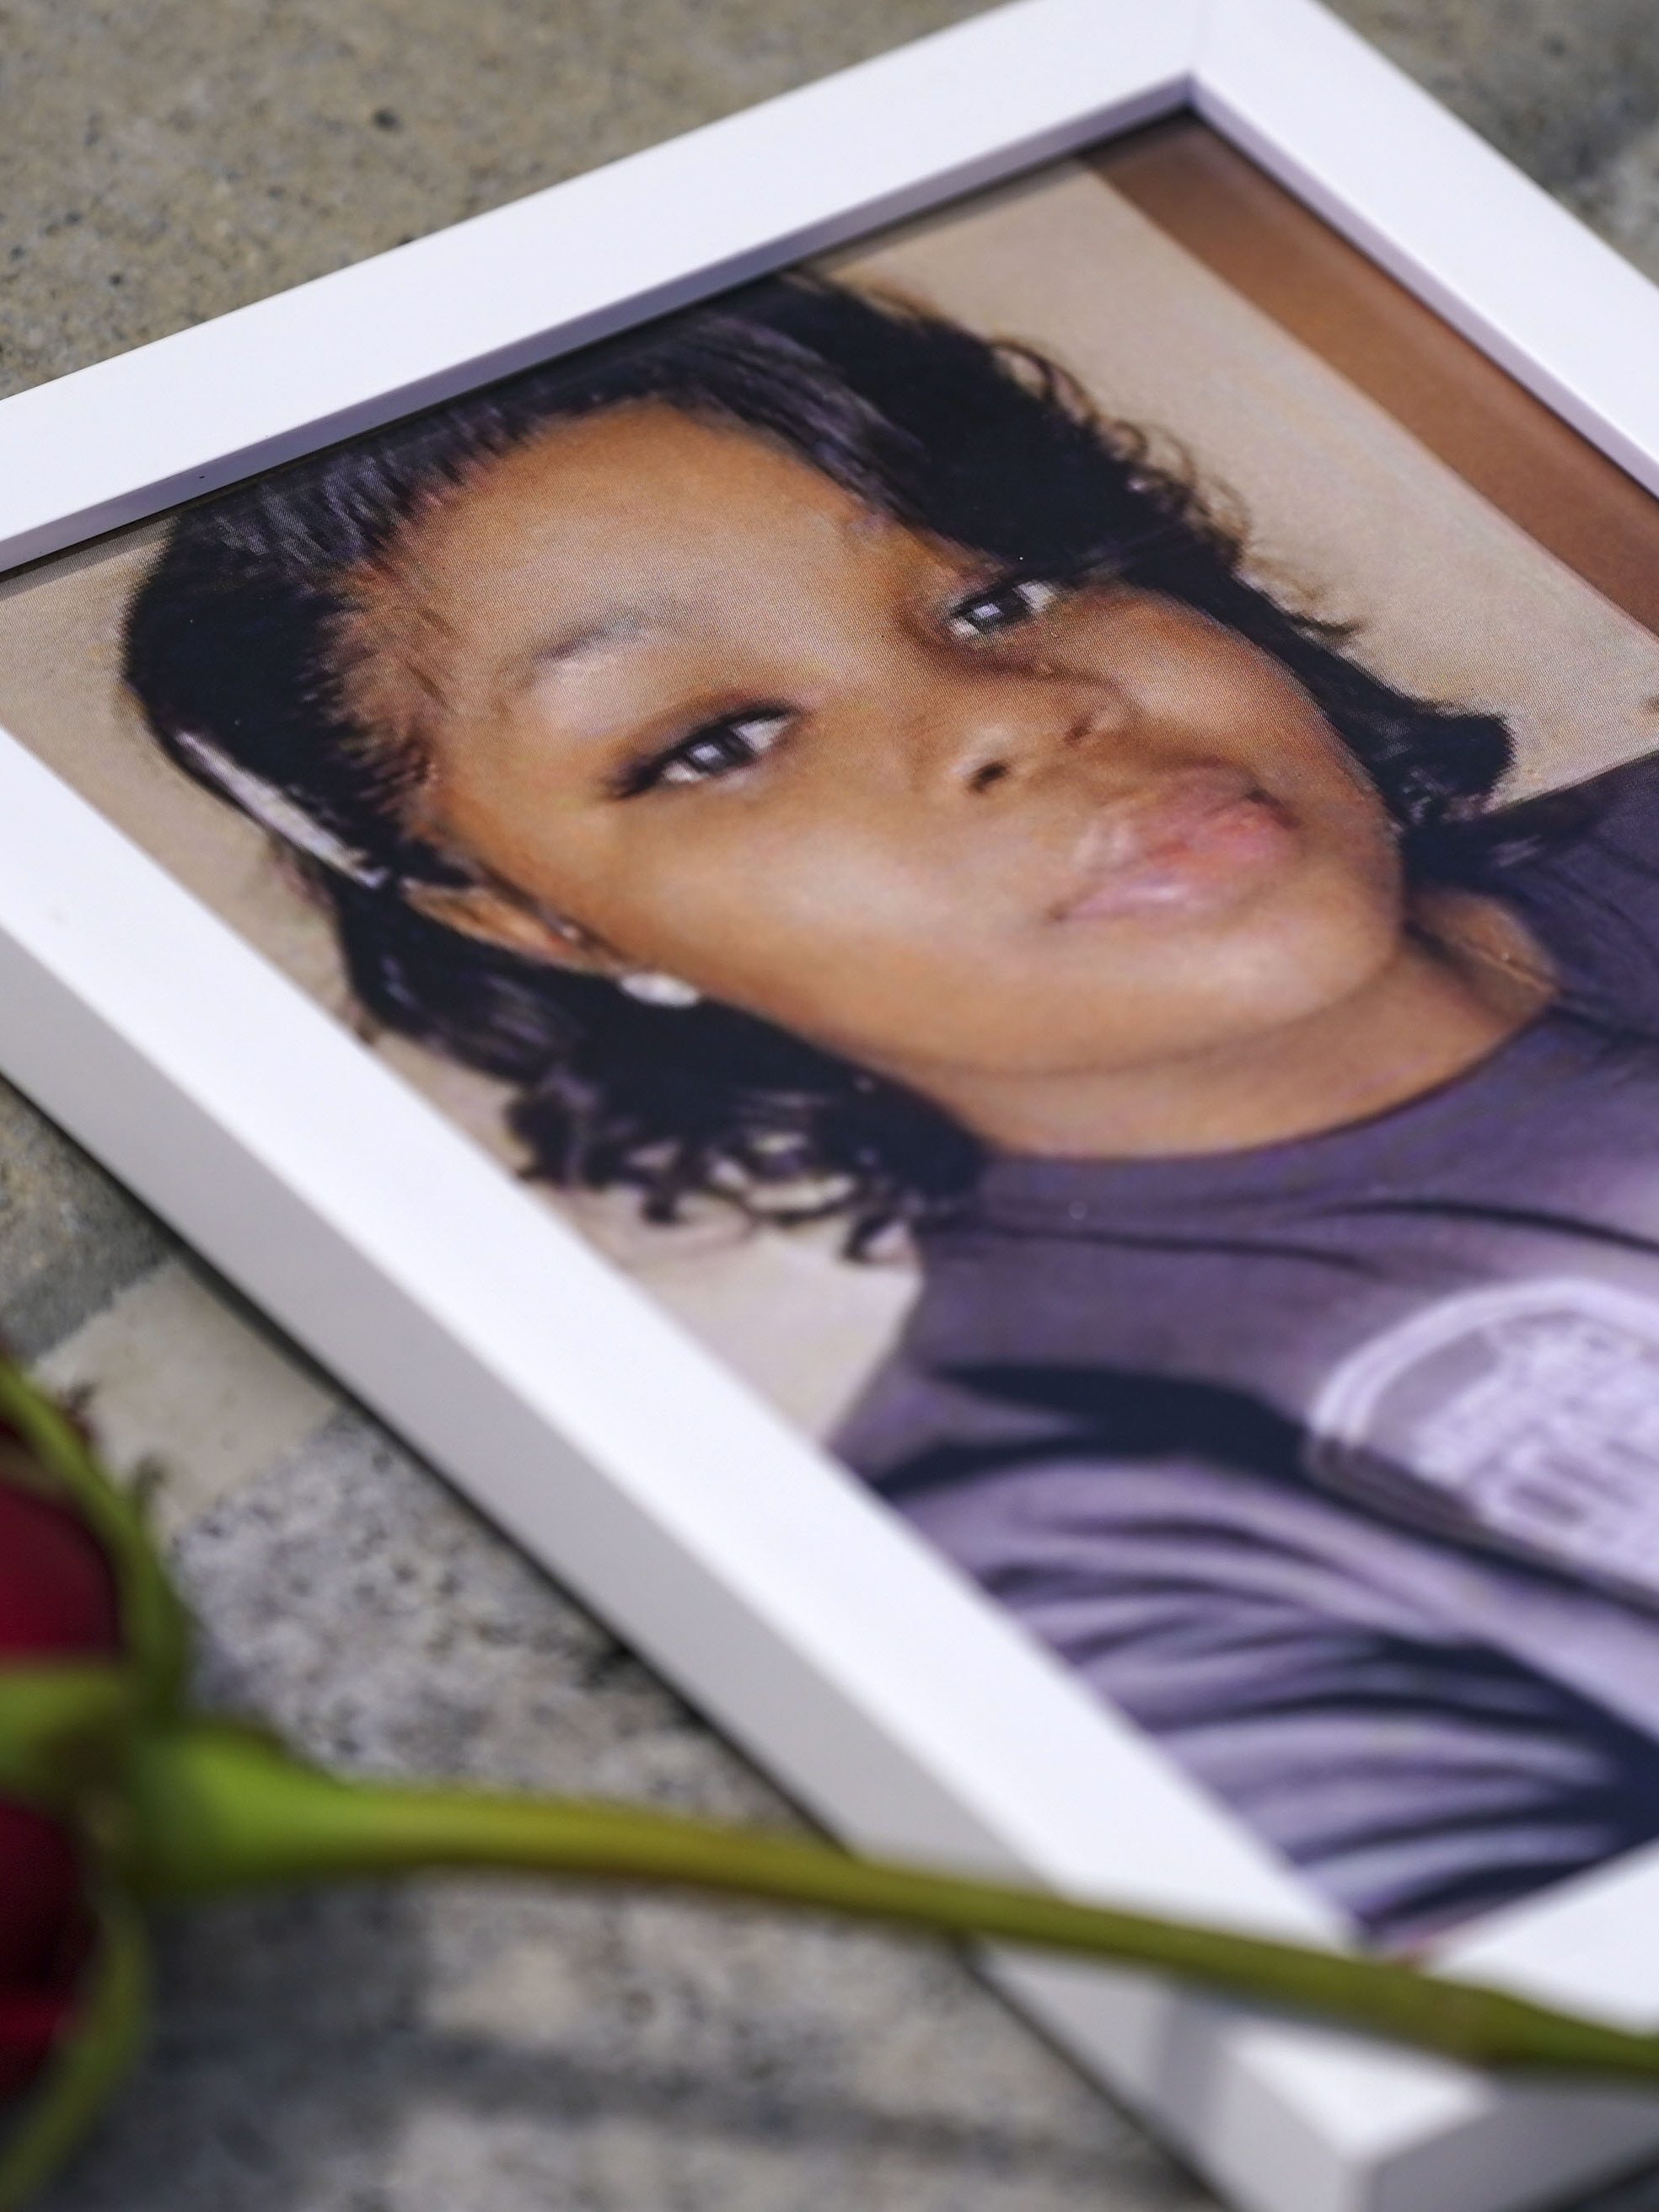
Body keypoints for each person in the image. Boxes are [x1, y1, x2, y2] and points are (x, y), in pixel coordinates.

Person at [123, 272, 1659, 1950]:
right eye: (718, 743)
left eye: (1000, 596)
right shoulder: (1068, 1542)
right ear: (535, 916)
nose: (1005, 711)